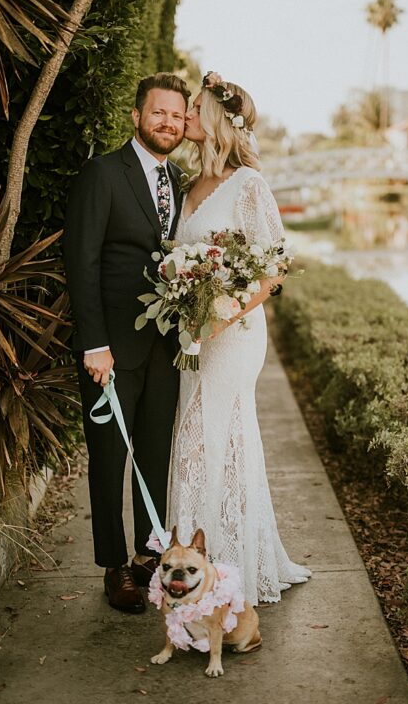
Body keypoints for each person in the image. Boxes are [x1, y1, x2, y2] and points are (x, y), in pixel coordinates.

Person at [166, 71, 311, 605]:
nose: (184, 116)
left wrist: (218, 318)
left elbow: (274, 268)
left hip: (233, 333)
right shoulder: (188, 184)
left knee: (221, 439)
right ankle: (193, 562)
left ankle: (229, 567)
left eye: (193, 107)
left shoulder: (249, 184)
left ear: (216, 120)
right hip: (193, 336)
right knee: (193, 443)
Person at [64, 73, 190, 613]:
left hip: (167, 347)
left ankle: (148, 557)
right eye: (159, 113)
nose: (169, 123)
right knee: (109, 459)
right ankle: (114, 568)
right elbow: (81, 260)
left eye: (178, 116)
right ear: (137, 116)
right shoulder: (102, 173)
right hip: (110, 349)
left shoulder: (181, 181)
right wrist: (93, 343)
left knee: (155, 454)